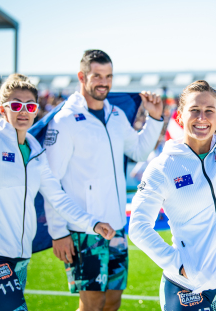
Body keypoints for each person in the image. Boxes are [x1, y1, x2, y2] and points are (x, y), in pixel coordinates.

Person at [129, 0, 216, 310]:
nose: (202, 117)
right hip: (184, 289)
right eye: (195, 110)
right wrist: (177, 264)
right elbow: (137, 226)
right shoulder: (163, 167)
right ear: (180, 116)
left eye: (209, 111)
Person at [0, 74, 115, 311]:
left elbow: (58, 199)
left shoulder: (35, 152)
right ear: (3, 109)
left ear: (36, 110)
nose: (23, 111)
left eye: (29, 106)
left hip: (20, 258)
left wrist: (92, 223)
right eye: (15, 105)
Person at [43, 50, 164, 311]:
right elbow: (50, 182)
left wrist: (154, 118)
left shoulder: (116, 115)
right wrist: (59, 232)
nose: (104, 82)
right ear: (82, 76)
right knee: (91, 305)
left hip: (117, 226)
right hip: (83, 230)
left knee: (112, 302)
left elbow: (139, 152)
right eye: (97, 76)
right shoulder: (64, 121)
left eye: (108, 76)